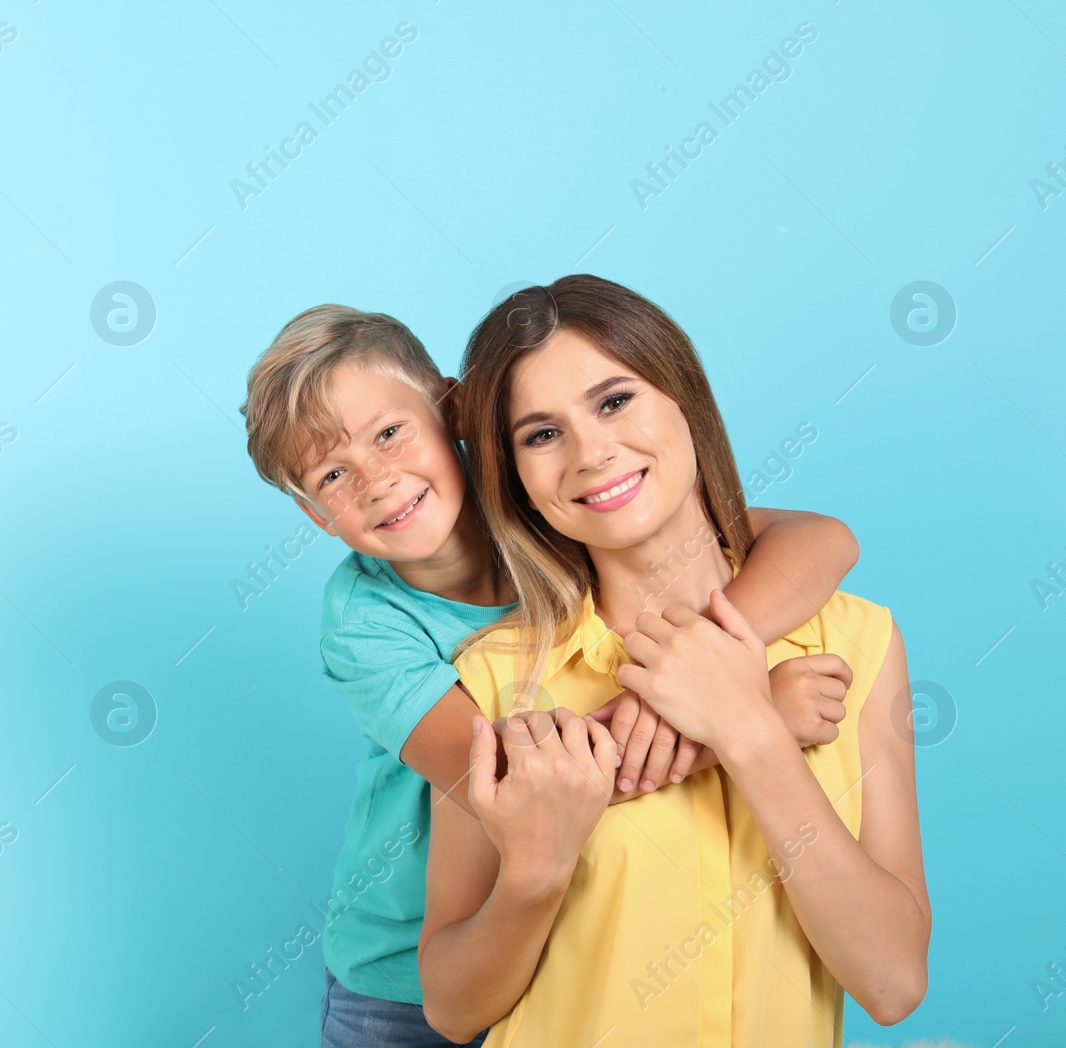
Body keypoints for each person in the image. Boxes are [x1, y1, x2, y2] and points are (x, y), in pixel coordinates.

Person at [240, 304, 862, 1047]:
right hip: (408, 975)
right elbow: (511, 785)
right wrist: (744, 716)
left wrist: (724, 661)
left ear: (456, 407)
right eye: (334, 474)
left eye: (389, 433)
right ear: (316, 515)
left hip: (565, 941)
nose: (377, 479)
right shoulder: (363, 621)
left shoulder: (550, 499)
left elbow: (819, 537)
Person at [418, 275, 930, 1045]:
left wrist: (747, 728)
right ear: (517, 477)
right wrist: (533, 873)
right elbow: (452, 1010)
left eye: (615, 400)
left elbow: (893, 982)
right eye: (542, 433)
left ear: (683, 396)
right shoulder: (493, 680)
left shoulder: (858, 639)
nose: (592, 452)